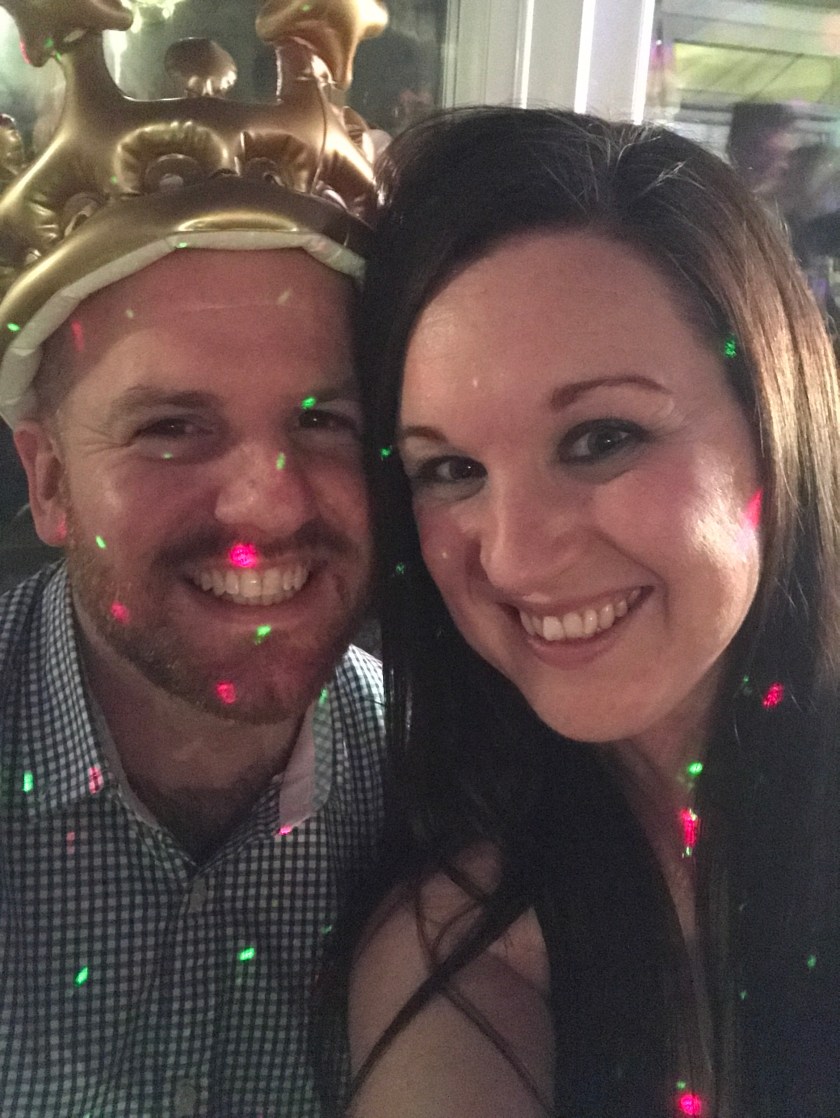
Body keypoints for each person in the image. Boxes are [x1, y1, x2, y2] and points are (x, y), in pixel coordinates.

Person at [343, 108, 840, 1117]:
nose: (516, 555)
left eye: (602, 438)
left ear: (774, 419)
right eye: (451, 469)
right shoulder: (465, 945)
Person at [0, 0, 388, 1113]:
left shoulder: (451, 786)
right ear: (49, 482)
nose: (268, 500)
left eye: (325, 420)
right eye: (172, 426)